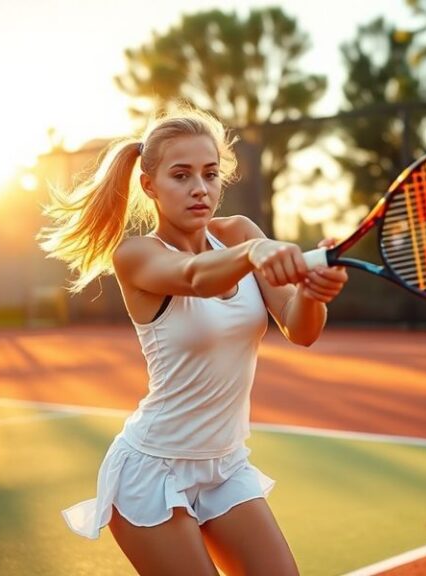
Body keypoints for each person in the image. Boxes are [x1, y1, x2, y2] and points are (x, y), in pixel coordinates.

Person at [39, 105, 348, 575]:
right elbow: (194, 276)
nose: (200, 188)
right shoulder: (136, 255)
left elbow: (300, 329)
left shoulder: (239, 234)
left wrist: (312, 292)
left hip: (226, 465)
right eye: (181, 176)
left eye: (210, 173)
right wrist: (256, 252)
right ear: (150, 185)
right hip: (153, 469)